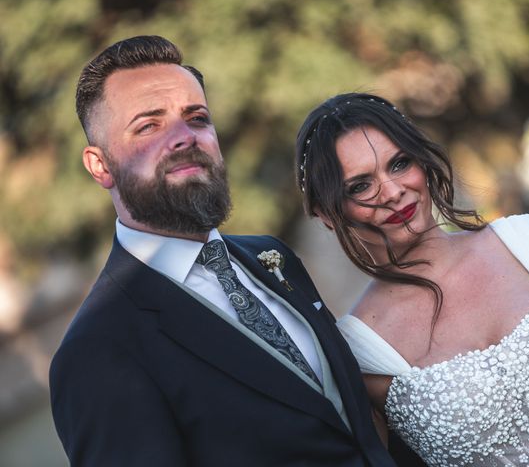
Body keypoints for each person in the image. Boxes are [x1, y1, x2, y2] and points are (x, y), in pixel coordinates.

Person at [48, 36, 417, 467]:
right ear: (100, 165)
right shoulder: (98, 350)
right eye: (149, 126)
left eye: (196, 118)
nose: (184, 137)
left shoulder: (272, 258)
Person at [294, 92, 529, 466]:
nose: (393, 192)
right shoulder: (361, 351)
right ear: (327, 213)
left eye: (399, 163)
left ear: (422, 160)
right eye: (360, 186)